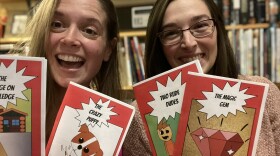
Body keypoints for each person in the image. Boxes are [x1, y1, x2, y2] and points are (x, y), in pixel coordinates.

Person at [123, 0, 280, 155]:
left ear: (218, 30)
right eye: (171, 33)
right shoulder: (138, 119)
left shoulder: (267, 96)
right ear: (159, 46)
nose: (188, 43)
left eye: (200, 26)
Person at [10, 0, 122, 143]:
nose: (70, 39)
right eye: (57, 24)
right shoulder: (7, 108)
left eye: (89, 31)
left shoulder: (119, 137)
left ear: (108, 49)